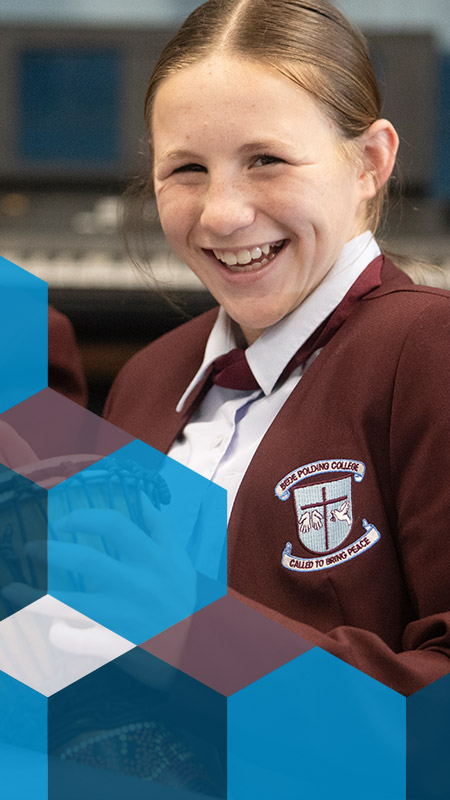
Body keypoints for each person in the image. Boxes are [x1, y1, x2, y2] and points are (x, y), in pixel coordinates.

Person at [102, 0, 450, 697]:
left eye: (266, 160)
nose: (222, 213)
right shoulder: (146, 377)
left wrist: (197, 630)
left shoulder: (426, 352)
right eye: (187, 170)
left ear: (370, 163)